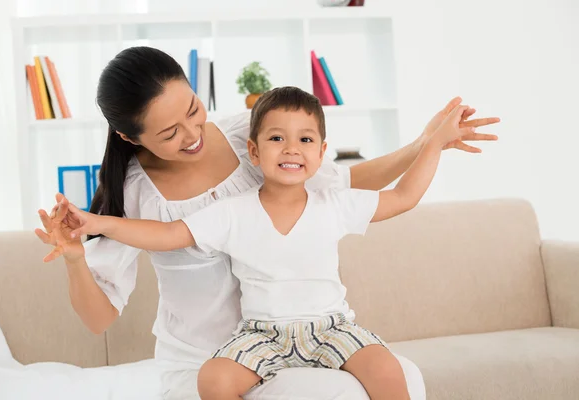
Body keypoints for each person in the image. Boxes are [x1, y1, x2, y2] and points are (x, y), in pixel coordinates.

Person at [35, 46, 499, 399]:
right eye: (170, 133)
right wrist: (77, 258)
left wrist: (427, 143)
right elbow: (104, 311)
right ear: (128, 136)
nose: (193, 134)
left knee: (403, 376)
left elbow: (350, 182)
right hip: (215, 361)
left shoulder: (253, 136)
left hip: (302, 344)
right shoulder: (133, 192)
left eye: (193, 110)